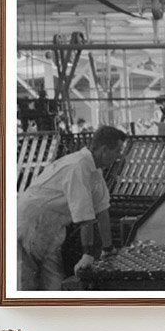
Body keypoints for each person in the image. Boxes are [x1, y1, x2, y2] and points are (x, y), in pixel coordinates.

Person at [16, 125, 127, 291]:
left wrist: (108, 249)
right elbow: (85, 218)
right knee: (27, 283)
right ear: (104, 150)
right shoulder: (78, 167)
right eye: (117, 150)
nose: (119, 156)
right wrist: (88, 254)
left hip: (51, 229)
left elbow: (102, 211)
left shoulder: (95, 171)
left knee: (54, 284)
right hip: (29, 226)